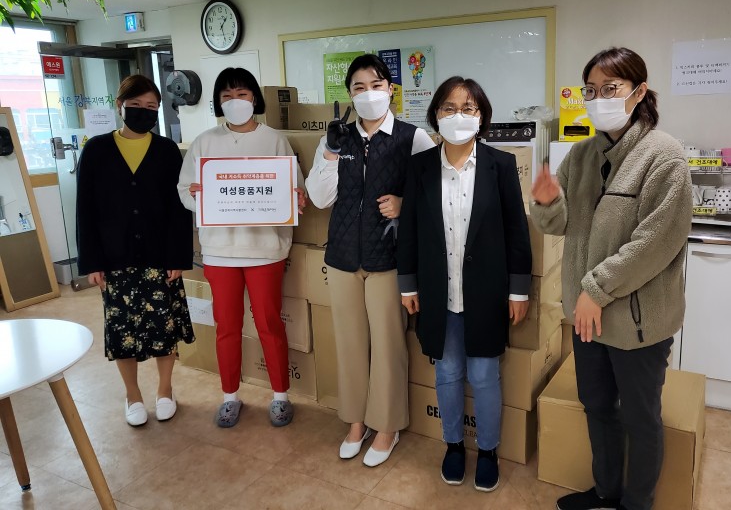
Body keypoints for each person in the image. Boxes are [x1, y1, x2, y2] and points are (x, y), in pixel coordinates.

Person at [529, 48, 692, 510]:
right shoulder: (581, 156)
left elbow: (655, 243)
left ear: (638, 92)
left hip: (637, 323)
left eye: (610, 89)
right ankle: (606, 493)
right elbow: (559, 225)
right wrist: (546, 202)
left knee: (641, 419)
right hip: (588, 320)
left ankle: (636, 505)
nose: (598, 99)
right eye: (591, 90)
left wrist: (596, 290)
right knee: (597, 407)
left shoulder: (664, 157)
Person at [396, 76, 531, 492]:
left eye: (468, 108)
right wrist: (408, 284)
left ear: (481, 117)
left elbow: (517, 231)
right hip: (438, 292)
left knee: (485, 375)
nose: (459, 115)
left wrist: (519, 289)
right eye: (449, 108)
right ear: (436, 115)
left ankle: (488, 450)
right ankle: (453, 444)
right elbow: (409, 230)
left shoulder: (500, 165)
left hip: (487, 294)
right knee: (448, 373)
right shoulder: (420, 167)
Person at [305, 53, 435, 466]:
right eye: (359, 87)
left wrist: (404, 203)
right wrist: (330, 151)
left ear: (390, 90)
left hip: (389, 260)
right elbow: (319, 197)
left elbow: (435, 196)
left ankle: (387, 426)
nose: (368, 94)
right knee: (349, 344)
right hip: (343, 257)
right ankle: (356, 421)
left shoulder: (413, 138)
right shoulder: (337, 139)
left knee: (388, 345)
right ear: (349, 95)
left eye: (376, 85)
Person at [177, 67, 306, 429]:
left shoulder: (275, 140)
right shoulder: (204, 142)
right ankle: (230, 396)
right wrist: (196, 195)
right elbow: (184, 190)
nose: (235, 101)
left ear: (255, 99)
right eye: (227, 96)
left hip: (265, 249)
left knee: (269, 323)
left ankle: (280, 396)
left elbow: (295, 190)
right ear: (218, 102)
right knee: (227, 326)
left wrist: (297, 197)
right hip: (219, 251)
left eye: (243, 94)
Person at [76, 74, 194, 427]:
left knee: (164, 327)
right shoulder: (96, 150)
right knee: (122, 330)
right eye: (136, 105)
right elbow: (85, 209)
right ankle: (132, 395)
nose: (144, 111)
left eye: (151, 106)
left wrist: (178, 257)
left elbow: (178, 210)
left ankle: (165, 390)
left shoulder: (167, 151)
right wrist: (92, 262)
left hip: (160, 256)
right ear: (120, 105)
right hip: (115, 257)